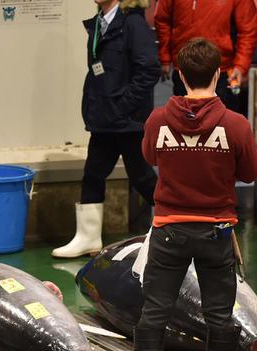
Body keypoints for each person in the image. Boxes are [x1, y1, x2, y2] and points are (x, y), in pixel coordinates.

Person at [134, 38, 257, 351]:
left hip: (169, 230)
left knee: (153, 314)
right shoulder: (235, 124)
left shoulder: (158, 119)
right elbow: (251, 172)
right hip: (216, 231)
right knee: (219, 317)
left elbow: (147, 156)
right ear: (219, 74)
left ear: (180, 76)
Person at [52, 0, 159, 258]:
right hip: (104, 121)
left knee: (142, 177)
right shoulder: (100, 22)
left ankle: (180, 227)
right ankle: (88, 238)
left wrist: (123, 106)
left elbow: (149, 70)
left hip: (126, 123)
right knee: (93, 174)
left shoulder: (133, 24)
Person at [154, 0, 257, 116]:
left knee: (222, 123)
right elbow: (162, 20)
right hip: (185, 68)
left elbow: (249, 29)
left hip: (221, 72)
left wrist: (240, 66)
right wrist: (165, 58)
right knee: (185, 121)